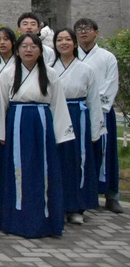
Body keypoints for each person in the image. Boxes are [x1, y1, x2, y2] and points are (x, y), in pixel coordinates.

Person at [0, 33, 75, 238]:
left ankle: (44, 220)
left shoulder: (50, 74)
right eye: (24, 46)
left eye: (33, 46)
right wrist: (0, 131)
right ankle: (15, 220)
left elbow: (58, 105)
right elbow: (1, 104)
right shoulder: (8, 74)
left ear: (40, 50)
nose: (28, 50)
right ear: (17, 50)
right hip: (17, 123)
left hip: (42, 125)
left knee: (43, 170)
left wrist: (60, 135)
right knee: (17, 170)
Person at [51, 28, 103, 224]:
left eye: (67, 39)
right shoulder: (49, 68)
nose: (63, 43)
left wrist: (96, 129)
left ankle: (77, 207)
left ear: (74, 43)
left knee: (77, 160)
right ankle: (57, 205)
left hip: (77, 115)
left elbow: (93, 101)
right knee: (57, 161)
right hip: (55, 114)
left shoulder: (86, 69)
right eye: (59, 40)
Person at [74, 18, 123, 213]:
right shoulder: (71, 55)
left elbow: (111, 84)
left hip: (101, 111)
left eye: (87, 28)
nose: (83, 32)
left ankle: (111, 195)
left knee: (106, 153)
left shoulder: (107, 57)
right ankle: (82, 195)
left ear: (96, 32)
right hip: (77, 111)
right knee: (79, 154)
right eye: (79, 29)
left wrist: (95, 106)